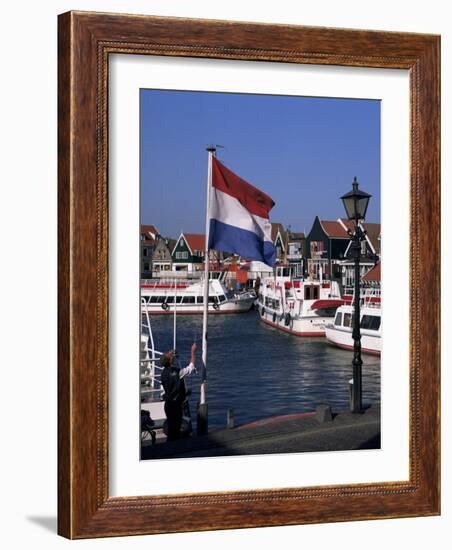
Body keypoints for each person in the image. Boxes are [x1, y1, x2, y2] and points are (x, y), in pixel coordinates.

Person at [160, 343, 197, 441]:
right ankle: (174, 448)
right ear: (170, 361)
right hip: (176, 405)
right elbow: (191, 367)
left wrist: (171, 354)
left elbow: (167, 363)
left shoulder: (163, 373)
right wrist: (193, 352)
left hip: (168, 405)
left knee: (172, 428)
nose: (171, 356)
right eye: (169, 356)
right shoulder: (176, 373)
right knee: (176, 429)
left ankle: (171, 446)